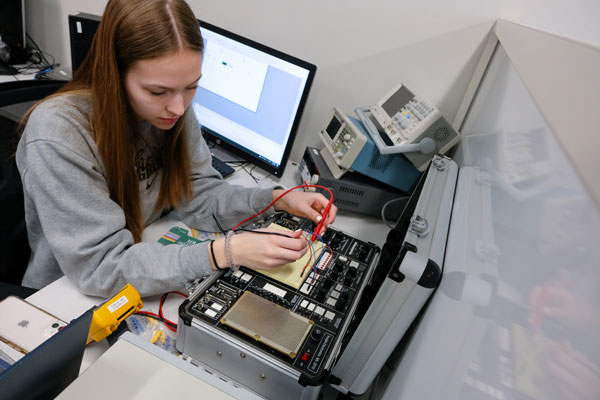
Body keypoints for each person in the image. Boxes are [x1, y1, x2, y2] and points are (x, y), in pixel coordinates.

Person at [15, 0, 336, 298]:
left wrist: (277, 200)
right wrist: (224, 252)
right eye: (158, 91)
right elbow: (100, 268)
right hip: (61, 298)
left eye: (191, 87)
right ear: (114, 72)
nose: (179, 108)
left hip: (143, 259)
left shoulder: (171, 109)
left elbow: (199, 195)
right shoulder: (59, 133)